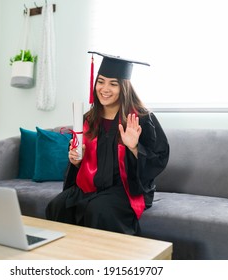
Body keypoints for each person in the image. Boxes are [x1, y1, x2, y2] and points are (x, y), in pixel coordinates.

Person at [45, 51, 170, 235]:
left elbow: (159, 157)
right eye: (101, 81)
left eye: (113, 84)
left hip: (125, 189)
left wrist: (134, 146)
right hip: (91, 186)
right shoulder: (89, 119)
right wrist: (75, 160)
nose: (104, 88)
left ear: (124, 87)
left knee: (99, 209)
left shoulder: (141, 118)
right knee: (57, 205)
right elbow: (81, 162)